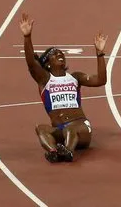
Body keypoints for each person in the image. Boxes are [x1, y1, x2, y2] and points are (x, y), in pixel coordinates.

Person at [18, 13, 108, 163]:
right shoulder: (44, 79)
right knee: (41, 129)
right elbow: (31, 64)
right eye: (54, 54)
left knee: (70, 129)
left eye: (61, 53)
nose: (60, 54)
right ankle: (53, 151)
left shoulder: (75, 77)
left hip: (81, 128)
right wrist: (27, 37)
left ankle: (68, 152)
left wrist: (100, 54)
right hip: (60, 129)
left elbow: (101, 80)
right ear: (47, 63)